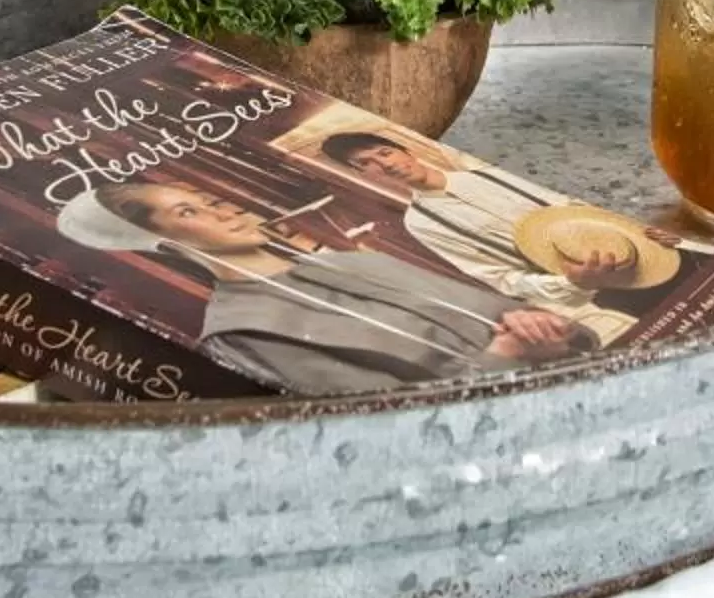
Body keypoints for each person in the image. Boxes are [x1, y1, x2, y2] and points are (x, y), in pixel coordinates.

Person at [55, 179, 594, 398]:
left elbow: (534, 315)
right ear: (163, 245)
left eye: (203, 196)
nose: (223, 209)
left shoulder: (351, 262)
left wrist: (550, 326)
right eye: (188, 212)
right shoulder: (240, 332)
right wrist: (507, 354)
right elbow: (395, 425)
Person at [319, 130, 642, 338]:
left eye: (385, 153)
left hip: (640, 256)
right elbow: (503, 280)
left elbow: (573, 205)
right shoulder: (423, 223)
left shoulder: (484, 172)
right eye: (367, 163)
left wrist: (643, 236)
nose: (384, 164)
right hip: (602, 293)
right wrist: (574, 283)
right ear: (361, 173)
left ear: (403, 150)